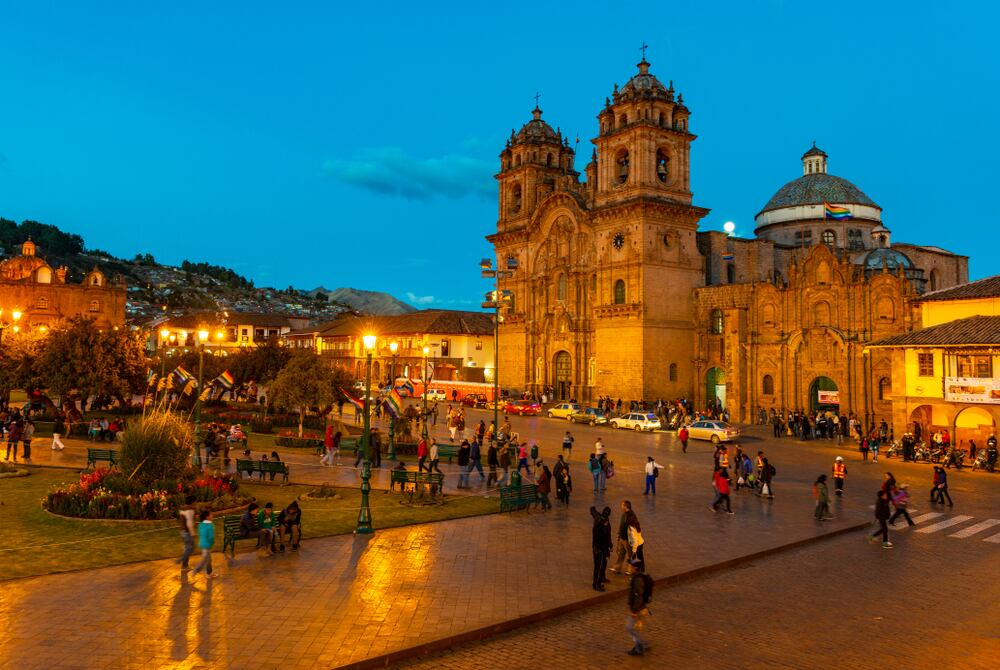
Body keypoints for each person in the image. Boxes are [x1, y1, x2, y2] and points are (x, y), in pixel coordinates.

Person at [626, 560, 654, 656]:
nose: (629, 567)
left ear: (635, 568)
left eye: (631, 566)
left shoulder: (637, 580)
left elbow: (638, 596)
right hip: (640, 608)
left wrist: (634, 610)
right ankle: (638, 649)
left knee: (630, 628)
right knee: (635, 629)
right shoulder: (637, 577)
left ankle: (644, 643)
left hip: (639, 609)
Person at [609, 501, 638, 574]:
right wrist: (619, 535)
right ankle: (617, 568)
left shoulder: (631, 516)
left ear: (626, 506)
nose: (621, 507)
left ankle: (631, 569)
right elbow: (621, 525)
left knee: (630, 555)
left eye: (622, 505)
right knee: (621, 554)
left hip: (628, 539)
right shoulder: (624, 514)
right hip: (622, 538)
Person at [590, 506, 613, 591]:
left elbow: (593, 512)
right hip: (599, 549)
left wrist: (593, 508)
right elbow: (605, 539)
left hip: (601, 548)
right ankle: (596, 585)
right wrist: (608, 549)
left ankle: (602, 578)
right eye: (605, 522)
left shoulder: (599, 518)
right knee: (598, 567)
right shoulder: (600, 528)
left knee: (603, 564)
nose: (607, 523)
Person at [191, 509, 217, 578]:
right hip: (207, 545)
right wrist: (212, 543)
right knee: (205, 560)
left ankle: (209, 573)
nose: (212, 515)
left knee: (208, 559)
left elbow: (202, 534)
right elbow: (211, 537)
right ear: (207, 517)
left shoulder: (201, 525)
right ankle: (195, 571)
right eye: (211, 514)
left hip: (202, 544)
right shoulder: (210, 525)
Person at [178, 496, 197, 570]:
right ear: (192, 502)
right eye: (195, 502)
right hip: (187, 532)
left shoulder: (183, 508)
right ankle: (181, 560)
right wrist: (192, 533)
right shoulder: (190, 510)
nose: (196, 503)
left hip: (182, 531)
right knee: (191, 547)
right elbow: (189, 523)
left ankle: (184, 565)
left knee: (187, 548)